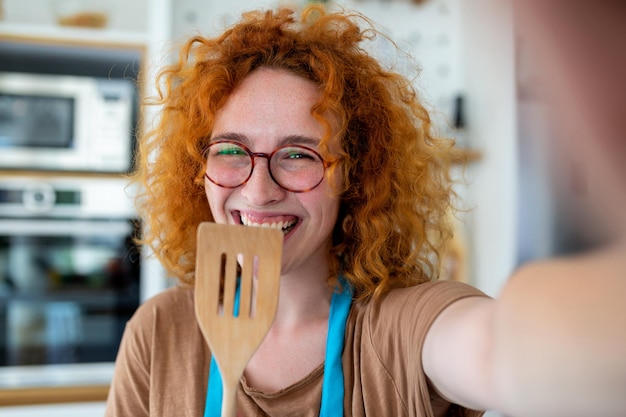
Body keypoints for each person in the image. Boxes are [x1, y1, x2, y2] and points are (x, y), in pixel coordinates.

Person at [105, 3, 626, 417]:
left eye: (298, 155)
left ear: (353, 174)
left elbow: (500, 349)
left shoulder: (399, 330)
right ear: (198, 168)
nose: (258, 191)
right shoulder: (161, 331)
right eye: (231, 151)